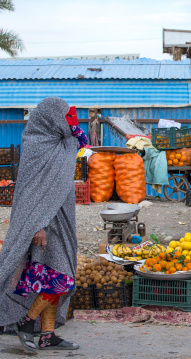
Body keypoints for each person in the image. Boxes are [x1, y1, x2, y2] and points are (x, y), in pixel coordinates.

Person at [0, 97, 86, 351]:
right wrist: (37, 224)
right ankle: (26, 322)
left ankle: (48, 335)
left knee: (52, 277)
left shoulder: (63, 142)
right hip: (43, 224)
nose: (68, 120)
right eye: (64, 116)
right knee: (62, 278)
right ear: (50, 118)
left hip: (62, 220)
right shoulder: (36, 145)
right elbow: (30, 191)